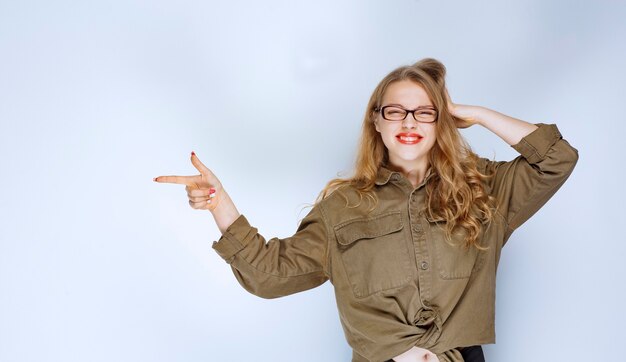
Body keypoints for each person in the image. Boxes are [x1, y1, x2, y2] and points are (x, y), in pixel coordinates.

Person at [154, 58, 578, 362]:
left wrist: (477, 114)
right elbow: (270, 275)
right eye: (395, 111)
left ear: (440, 121)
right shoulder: (343, 207)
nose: (409, 123)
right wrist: (219, 204)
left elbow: (557, 158)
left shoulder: (485, 190)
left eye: (424, 112)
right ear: (376, 121)